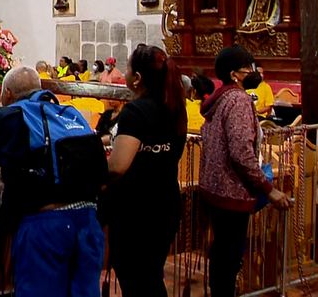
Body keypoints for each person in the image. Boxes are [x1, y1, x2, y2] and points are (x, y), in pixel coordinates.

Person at [0, 66, 105, 297]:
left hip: (45, 227)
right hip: (88, 223)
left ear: (7, 94)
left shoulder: (7, 116)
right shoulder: (71, 113)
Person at [200, 46, 290, 297]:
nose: (253, 71)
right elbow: (241, 151)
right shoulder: (239, 100)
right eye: (248, 68)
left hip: (216, 187)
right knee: (228, 259)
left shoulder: (222, 98)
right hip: (231, 191)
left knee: (222, 257)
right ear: (234, 74)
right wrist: (268, 189)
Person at [104, 44, 187, 296]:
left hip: (137, 210)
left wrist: (93, 174)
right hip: (166, 202)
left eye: (127, 68)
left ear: (137, 78)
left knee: (137, 279)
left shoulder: (135, 111)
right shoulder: (174, 106)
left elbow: (118, 166)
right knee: (150, 276)